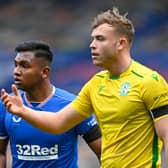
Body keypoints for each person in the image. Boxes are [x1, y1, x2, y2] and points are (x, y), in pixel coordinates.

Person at [1, 7, 168, 168]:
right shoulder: (96, 84)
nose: (92, 45)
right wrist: (23, 111)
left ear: (121, 43)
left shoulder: (149, 81)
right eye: (92, 39)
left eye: (100, 39)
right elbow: (59, 123)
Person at [0, 40, 101, 168]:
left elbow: (102, 152)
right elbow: (0, 152)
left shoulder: (72, 104)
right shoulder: (6, 104)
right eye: (16, 65)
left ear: (44, 72)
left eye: (24, 66)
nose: (16, 71)